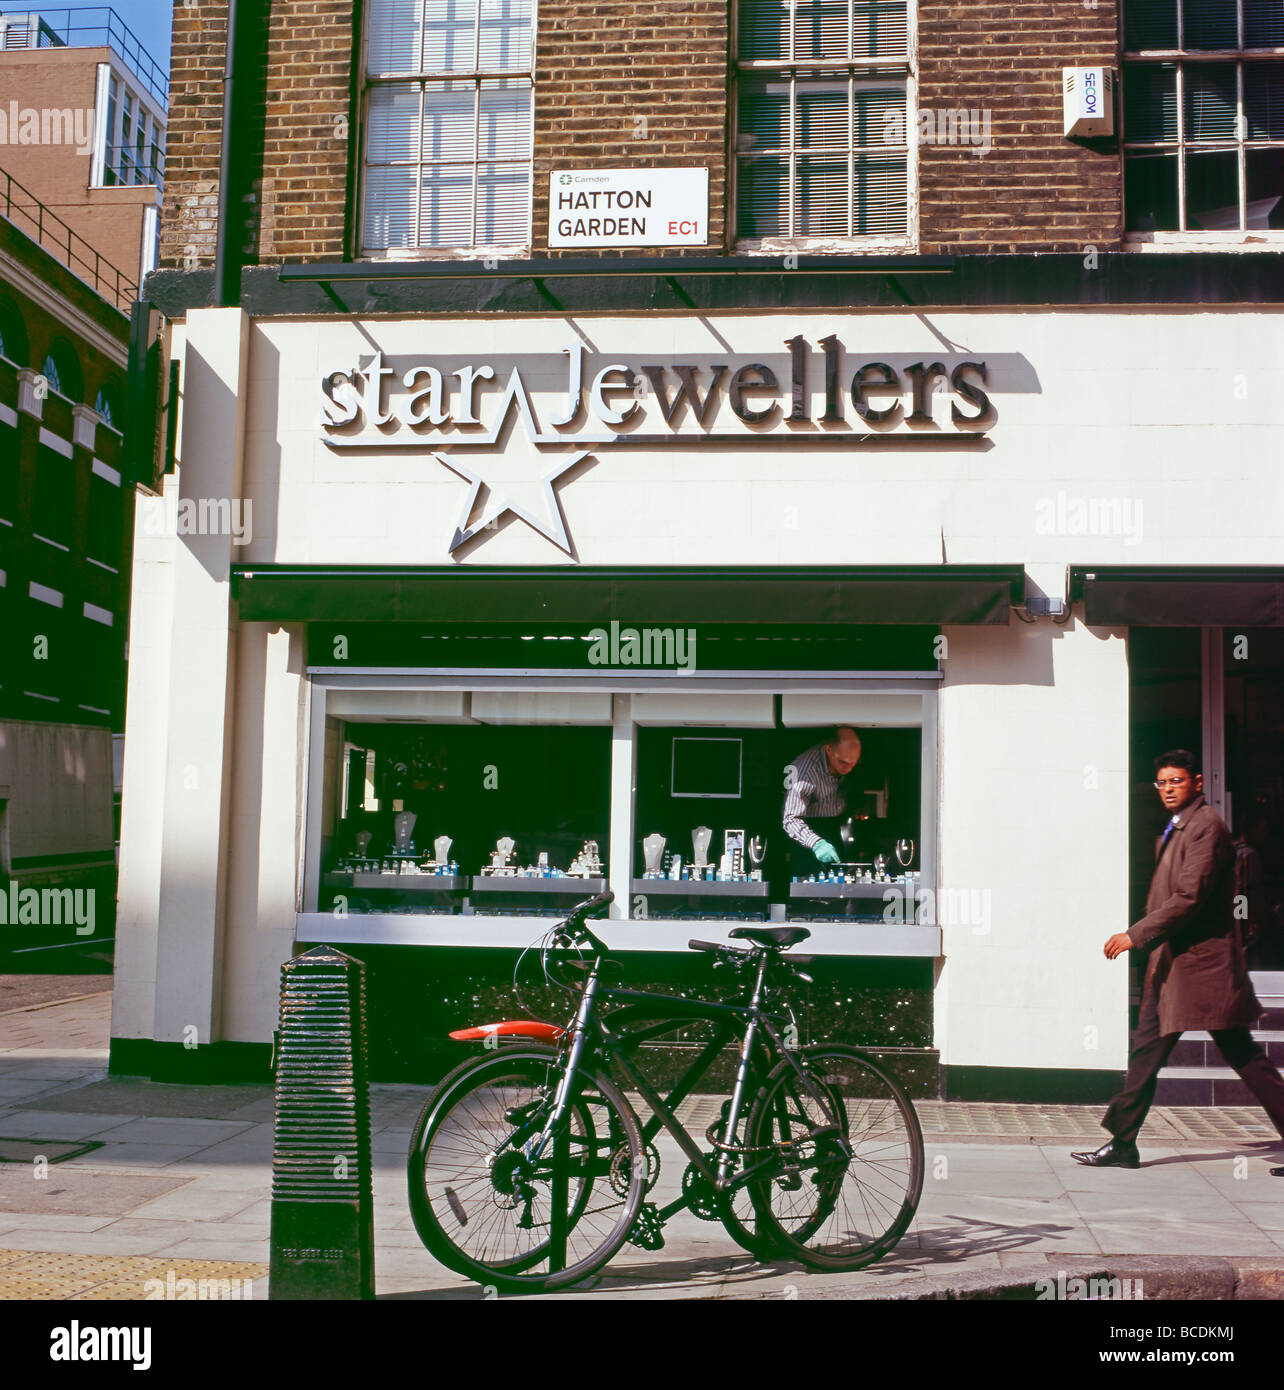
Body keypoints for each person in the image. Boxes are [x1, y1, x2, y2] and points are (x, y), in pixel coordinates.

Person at [1072, 750, 1284, 1169]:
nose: (1168, 789)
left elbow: (1188, 897)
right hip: (1175, 965)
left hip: (1203, 969)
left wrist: (1135, 935)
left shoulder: (1207, 827)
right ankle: (1123, 1143)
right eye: (1162, 783)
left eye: (1177, 781)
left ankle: (1123, 1142)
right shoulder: (1179, 825)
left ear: (1199, 783)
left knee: (1242, 1055)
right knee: (1148, 1050)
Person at [782, 726, 861, 867]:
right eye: (843, 762)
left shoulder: (847, 760)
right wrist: (816, 844)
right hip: (809, 835)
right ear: (829, 749)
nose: (848, 769)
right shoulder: (804, 771)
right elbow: (790, 819)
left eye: (852, 765)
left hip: (839, 828)